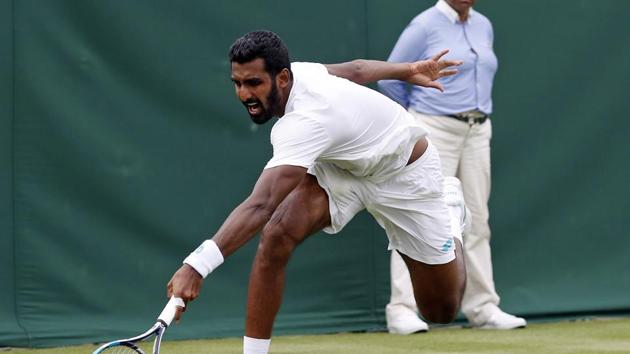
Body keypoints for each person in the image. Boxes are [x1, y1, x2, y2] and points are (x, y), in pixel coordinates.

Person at [167, 30, 467, 354]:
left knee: (441, 310)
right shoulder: (300, 74)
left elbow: (262, 203)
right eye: (237, 83)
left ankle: (450, 215)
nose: (244, 94)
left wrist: (196, 266)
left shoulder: (305, 121)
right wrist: (407, 70)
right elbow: (356, 70)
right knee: (277, 235)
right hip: (343, 165)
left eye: (254, 83)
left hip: (404, 172)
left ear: (282, 77)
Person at [378, 0, 526, 333]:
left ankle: (483, 307)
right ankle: (401, 309)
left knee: (476, 218)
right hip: (433, 128)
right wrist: (412, 121)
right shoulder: (424, 25)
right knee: (417, 218)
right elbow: (390, 76)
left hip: (477, 129)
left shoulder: (483, 25)